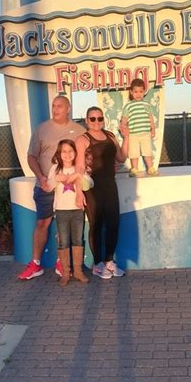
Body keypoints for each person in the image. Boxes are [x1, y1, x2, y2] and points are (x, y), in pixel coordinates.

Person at [18, 96, 85, 280]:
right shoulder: (42, 129)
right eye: (53, 106)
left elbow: (84, 160)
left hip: (68, 189)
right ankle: (36, 264)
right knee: (42, 224)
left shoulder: (79, 131)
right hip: (46, 187)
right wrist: (41, 177)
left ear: (68, 108)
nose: (55, 109)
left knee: (64, 226)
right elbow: (31, 157)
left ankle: (61, 263)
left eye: (60, 106)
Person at [75, 106, 129, 280]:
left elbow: (121, 158)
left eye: (99, 118)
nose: (96, 122)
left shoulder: (111, 136)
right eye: (92, 119)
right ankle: (97, 264)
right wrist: (78, 193)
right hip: (92, 188)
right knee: (96, 225)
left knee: (113, 223)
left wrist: (126, 136)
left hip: (110, 185)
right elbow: (79, 168)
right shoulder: (82, 139)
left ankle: (109, 261)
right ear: (86, 121)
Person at [47, 139, 92, 286]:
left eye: (70, 151)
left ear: (75, 152)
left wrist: (80, 176)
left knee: (77, 240)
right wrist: (56, 179)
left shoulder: (79, 168)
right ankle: (66, 273)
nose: (67, 154)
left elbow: (89, 185)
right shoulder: (55, 168)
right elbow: (48, 186)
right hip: (61, 211)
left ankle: (78, 271)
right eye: (64, 151)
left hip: (77, 210)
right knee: (64, 241)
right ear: (59, 154)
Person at [121, 77, 157, 177]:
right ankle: (134, 169)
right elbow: (124, 118)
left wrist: (152, 129)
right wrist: (123, 126)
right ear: (131, 92)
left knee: (147, 151)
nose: (138, 94)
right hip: (133, 134)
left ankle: (150, 168)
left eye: (141, 91)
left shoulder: (147, 104)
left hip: (145, 133)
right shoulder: (128, 106)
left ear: (144, 92)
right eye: (136, 92)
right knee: (134, 153)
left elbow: (150, 118)